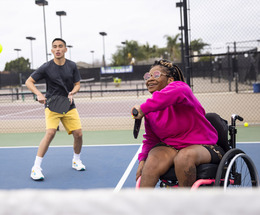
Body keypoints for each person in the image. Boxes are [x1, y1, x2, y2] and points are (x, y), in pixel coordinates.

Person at [132, 59, 225, 187]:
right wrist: (142, 160)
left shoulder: (181, 89)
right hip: (171, 147)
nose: (150, 79)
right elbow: (151, 140)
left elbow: (169, 95)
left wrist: (142, 108)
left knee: (184, 157)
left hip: (203, 146)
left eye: (156, 75)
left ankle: (184, 203)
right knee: (152, 160)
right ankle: (142, 204)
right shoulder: (150, 110)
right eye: (148, 76)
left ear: (170, 80)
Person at [25, 38, 85, 181]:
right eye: (55, 47)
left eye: (60, 46)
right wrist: (38, 94)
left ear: (65, 49)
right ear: (52, 50)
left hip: (68, 105)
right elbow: (29, 81)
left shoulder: (71, 66)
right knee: (50, 133)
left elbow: (77, 84)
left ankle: (76, 160)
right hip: (52, 105)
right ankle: (36, 168)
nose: (57, 49)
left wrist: (73, 92)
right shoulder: (46, 67)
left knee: (79, 134)